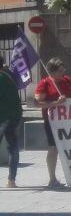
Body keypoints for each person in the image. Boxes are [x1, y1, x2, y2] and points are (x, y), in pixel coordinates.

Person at [35, 57, 71, 188]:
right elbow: (37, 103)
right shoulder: (44, 84)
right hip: (52, 122)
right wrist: (56, 103)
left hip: (69, 121)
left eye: (63, 69)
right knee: (53, 148)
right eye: (60, 70)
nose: (63, 72)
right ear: (52, 72)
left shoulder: (67, 80)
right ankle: (52, 179)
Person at [0, 56, 22, 188]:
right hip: (15, 116)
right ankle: (11, 180)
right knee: (13, 147)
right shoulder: (8, 76)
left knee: (12, 147)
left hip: (3, 118)